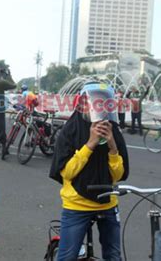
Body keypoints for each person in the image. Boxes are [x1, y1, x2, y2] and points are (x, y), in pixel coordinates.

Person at [49, 82, 129, 261]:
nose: (98, 110)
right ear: (83, 105)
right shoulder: (70, 131)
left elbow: (117, 176)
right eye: (94, 104)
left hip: (107, 202)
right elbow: (67, 173)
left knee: (114, 255)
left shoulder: (113, 131)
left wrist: (112, 146)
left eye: (103, 105)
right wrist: (90, 144)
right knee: (67, 257)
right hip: (77, 204)